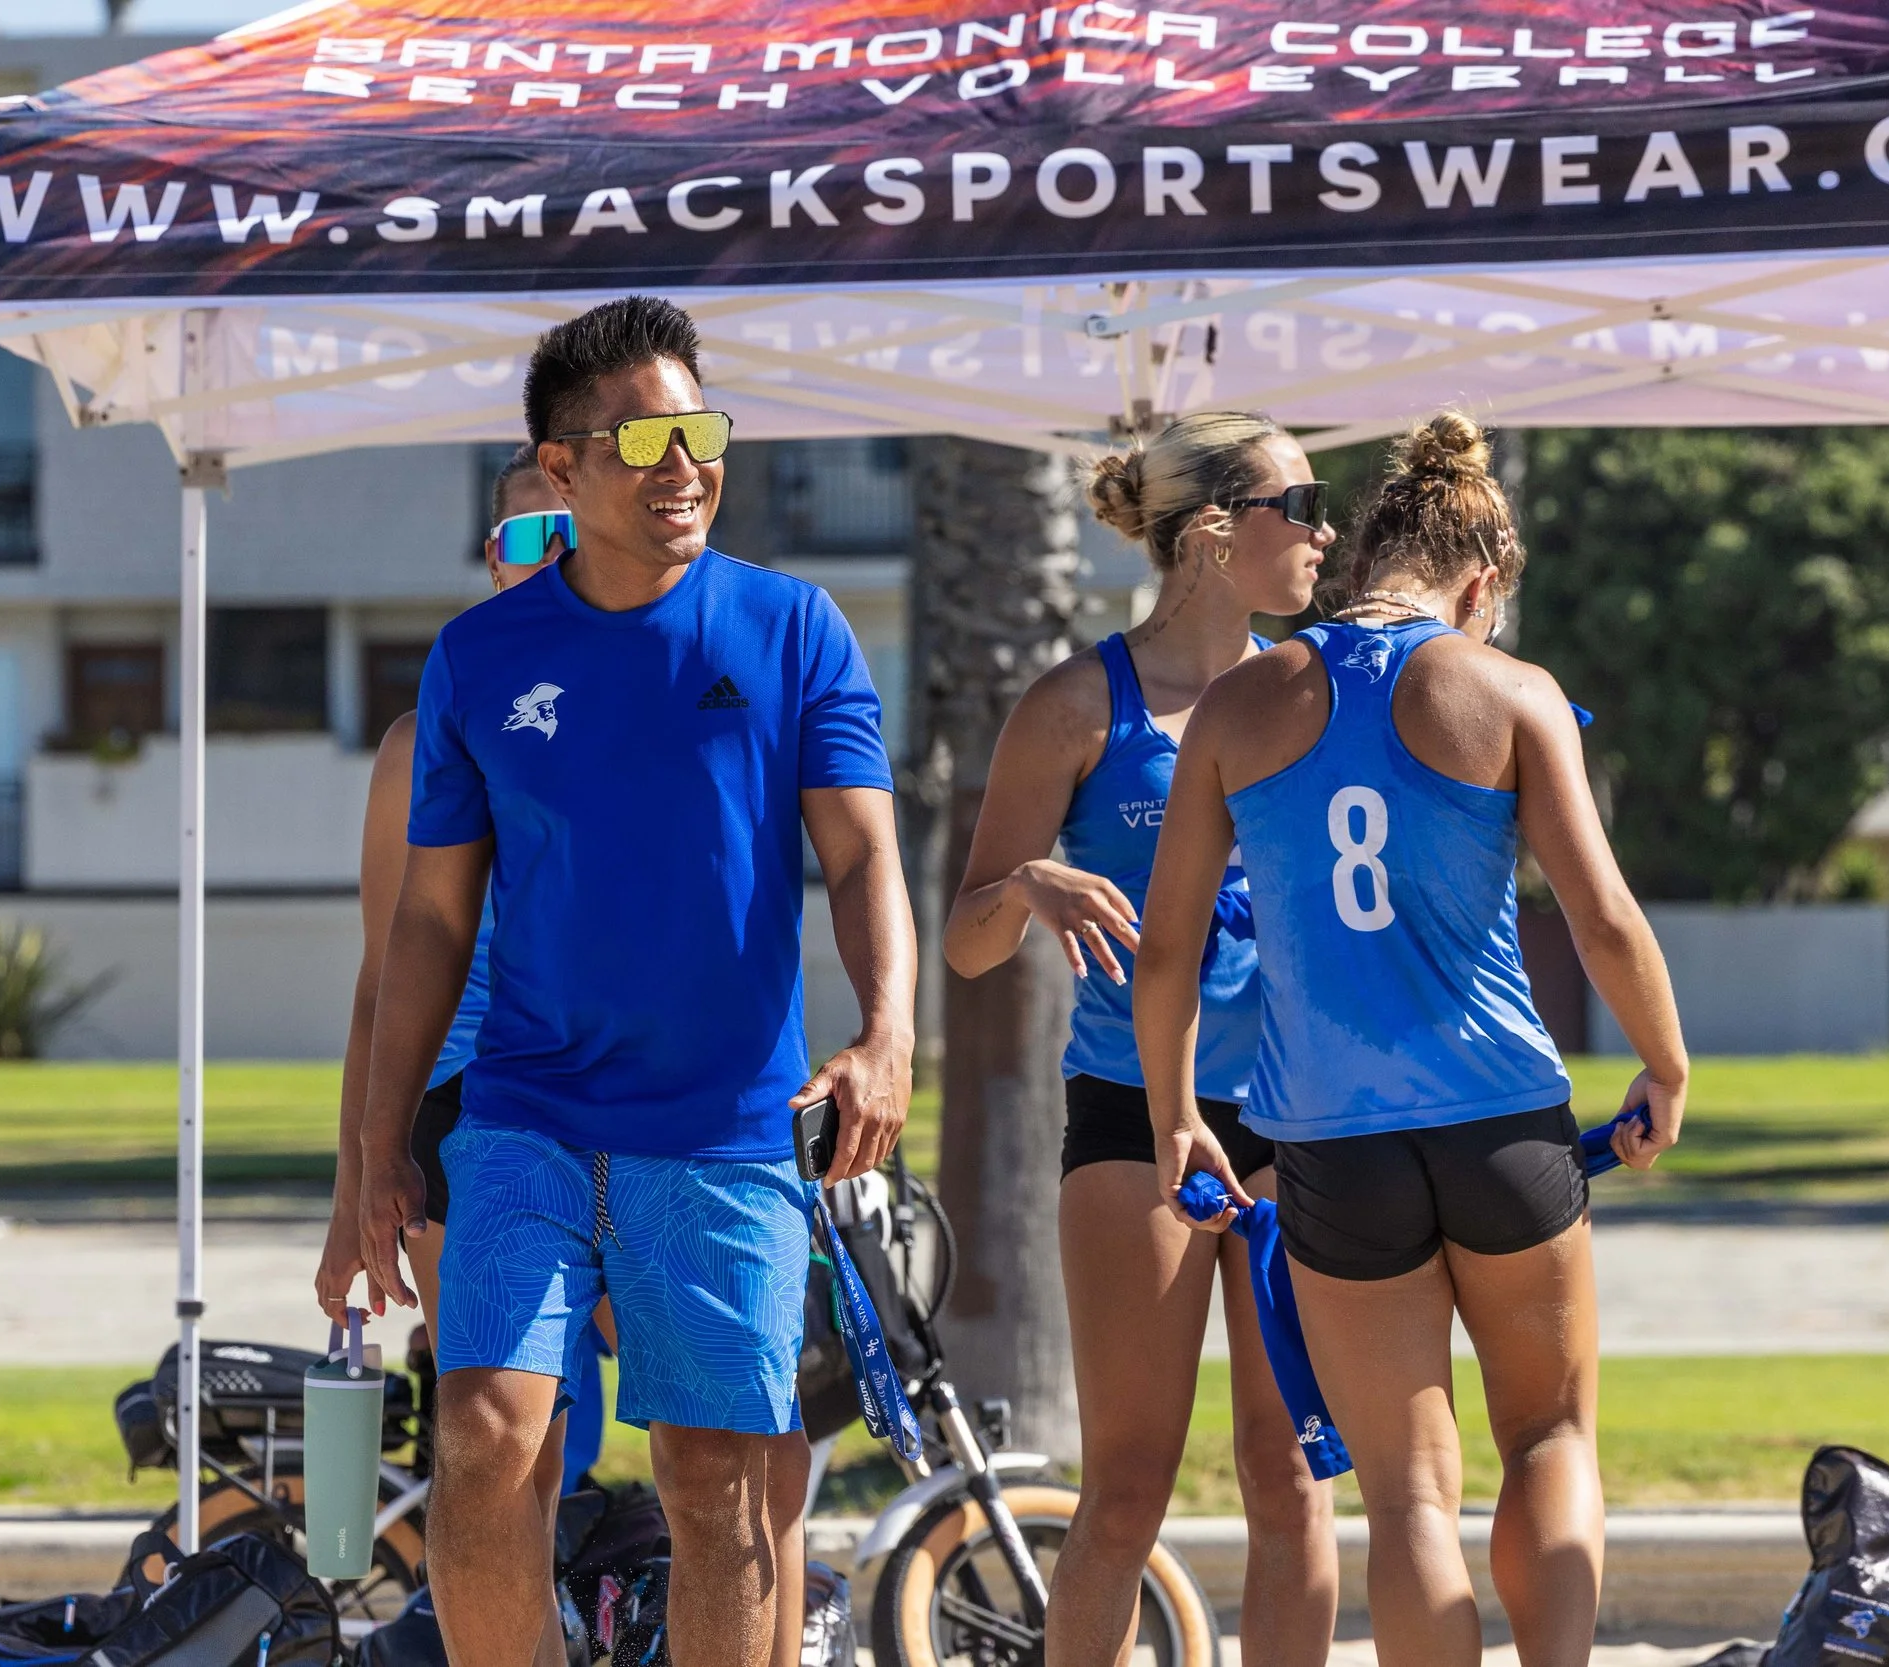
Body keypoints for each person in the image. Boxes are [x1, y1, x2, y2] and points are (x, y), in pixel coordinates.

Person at [354, 296, 916, 1667]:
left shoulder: (793, 628)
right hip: (524, 1112)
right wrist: (377, 1144)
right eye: (645, 440)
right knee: (485, 1437)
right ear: (560, 467)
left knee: (714, 1483)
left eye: (700, 431)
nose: (684, 468)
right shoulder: (479, 658)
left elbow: (860, 856)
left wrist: (890, 1028)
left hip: (724, 1129)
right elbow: (428, 923)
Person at [1135, 411, 1689, 1667]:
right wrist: (1665, 1062)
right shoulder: (1507, 690)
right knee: (1548, 1436)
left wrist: (1175, 1116)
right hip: (1502, 1124)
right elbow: (1601, 915)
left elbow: (1167, 948)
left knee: (1404, 1494)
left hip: (1331, 1141)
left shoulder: (1234, 703)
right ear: (1479, 580)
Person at [945, 412, 1340, 1667]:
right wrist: (1027, 888)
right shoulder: (1076, 705)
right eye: (1303, 503)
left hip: (1302, 1118)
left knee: (1293, 1480)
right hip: (1130, 1118)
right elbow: (963, 941)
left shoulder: (1321, 690)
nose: (1328, 531)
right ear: (1218, 533)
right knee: (1125, 1490)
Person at [313, 450, 607, 1619]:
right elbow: (380, 983)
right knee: (503, 1431)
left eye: (568, 543)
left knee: (698, 1431)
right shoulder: (417, 740)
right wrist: (353, 1188)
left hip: (633, 1109)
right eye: (527, 542)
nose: (548, 566)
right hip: (464, 1111)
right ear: (492, 561)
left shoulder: (655, 710)